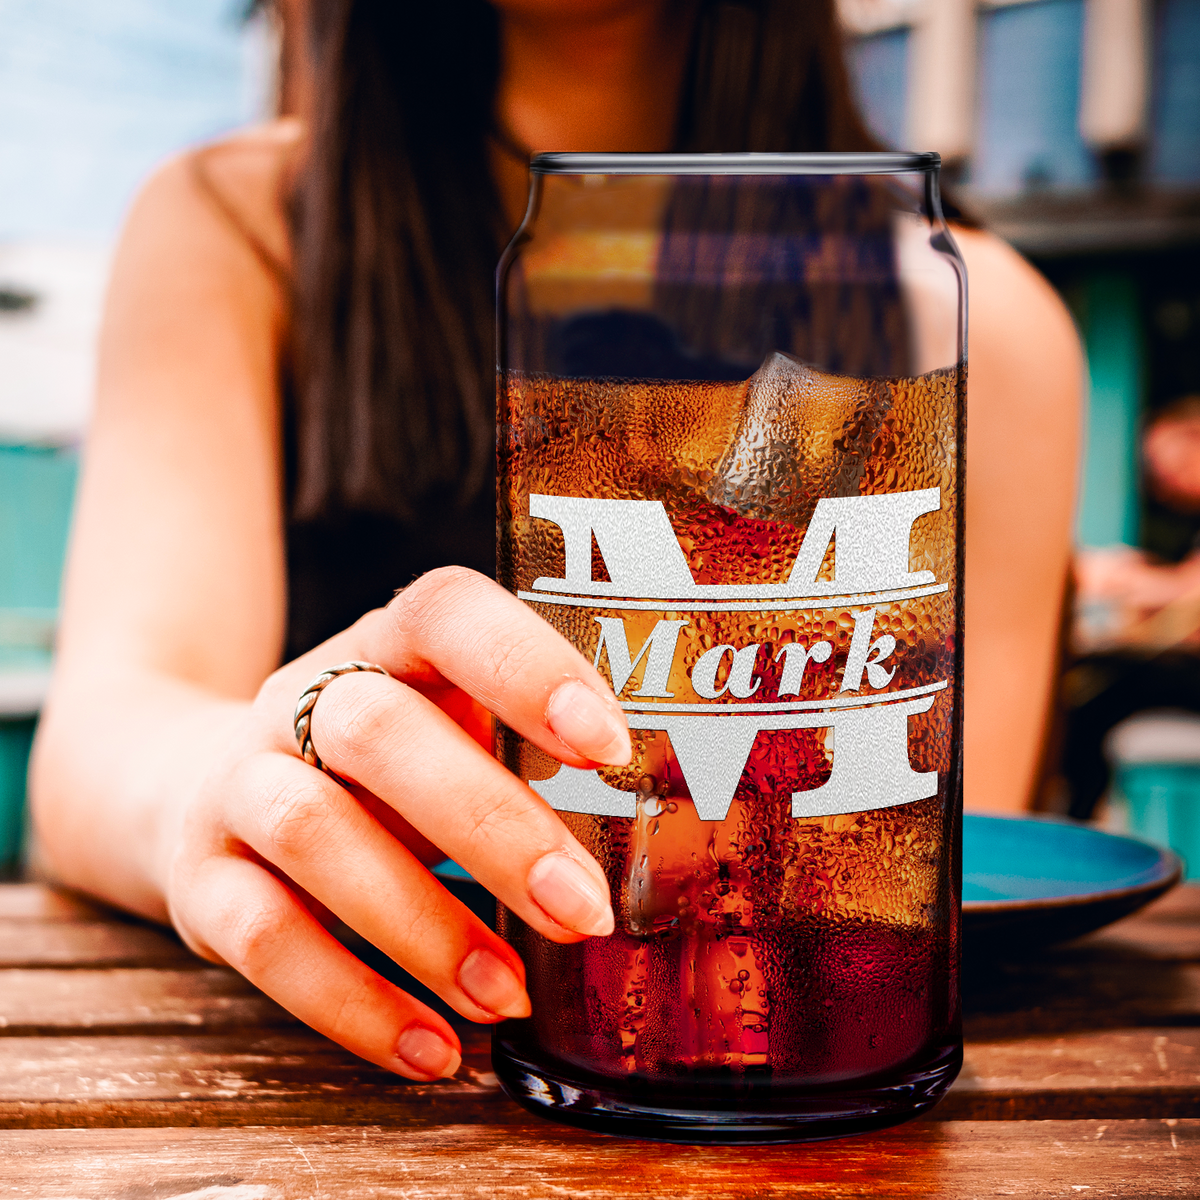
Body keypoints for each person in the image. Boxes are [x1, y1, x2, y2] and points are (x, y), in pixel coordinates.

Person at [29, 0, 1082, 1082]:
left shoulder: (977, 323)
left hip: (772, 1089)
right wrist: (234, 785)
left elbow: (922, 891)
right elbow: (109, 730)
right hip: (381, 1079)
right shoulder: (239, 225)